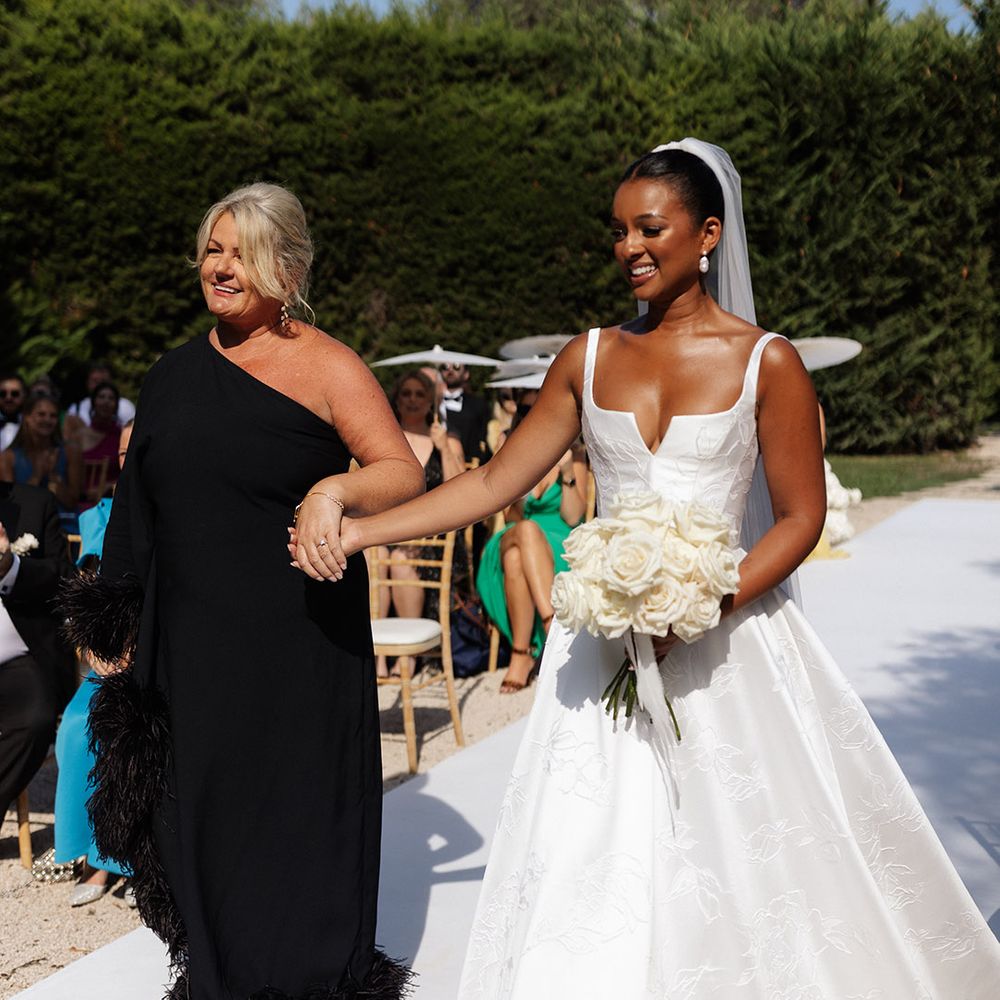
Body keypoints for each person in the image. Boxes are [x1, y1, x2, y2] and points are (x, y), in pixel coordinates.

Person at [291, 141, 1000, 997]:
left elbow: (801, 517)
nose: (629, 247)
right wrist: (362, 530)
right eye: (618, 230)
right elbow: (489, 482)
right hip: (603, 653)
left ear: (707, 235)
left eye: (650, 228)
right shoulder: (586, 358)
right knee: (596, 854)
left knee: (743, 855)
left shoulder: (766, 362)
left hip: (733, 645)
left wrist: (704, 602)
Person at [62, 182, 422, 999]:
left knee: (292, 815)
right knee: (198, 818)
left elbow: (401, 472)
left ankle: (304, 980)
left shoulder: (328, 364)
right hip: (189, 643)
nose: (221, 267)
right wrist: (114, 617)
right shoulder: (172, 373)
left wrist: (334, 494)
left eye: (242, 253)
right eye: (212, 250)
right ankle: (219, 978)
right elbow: (138, 503)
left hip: (298, 638)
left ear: (287, 267)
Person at [52, 420, 134, 908]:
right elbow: (85, 597)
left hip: (169, 650)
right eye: (122, 452)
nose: (129, 459)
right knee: (78, 725)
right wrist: (95, 650)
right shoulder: (97, 518)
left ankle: (142, 858)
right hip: (112, 652)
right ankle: (98, 859)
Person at [475, 389, 587, 693]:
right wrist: (510, 472)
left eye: (540, 406)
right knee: (525, 530)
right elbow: (508, 516)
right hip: (515, 531)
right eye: (525, 409)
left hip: (558, 542)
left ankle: (521, 655)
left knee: (515, 560)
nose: (533, 413)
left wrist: (566, 472)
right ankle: (552, 622)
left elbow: (574, 516)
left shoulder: (574, 453)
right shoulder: (513, 450)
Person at [371, 370, 465, 678]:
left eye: (419, 394)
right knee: (374, 557)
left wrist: (444, 449)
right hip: (388, 529)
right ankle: (377, 655)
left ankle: (408, 657)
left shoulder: (446, 439)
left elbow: (461, 490)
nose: (412, 400)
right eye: (405, 394)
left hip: (432, 535)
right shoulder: (384, 439)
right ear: (396, 400)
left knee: (399, 559)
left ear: (430, 402)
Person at [0, 481, 75, 820]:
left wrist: (10, 568)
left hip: (16, 656)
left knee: (35, 720)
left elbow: (65, 580)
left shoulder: (34, 503)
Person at [0, 392, 83, 520]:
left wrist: (53, 477)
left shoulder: (71, 451)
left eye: (53, 416)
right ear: (27, 417)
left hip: (64, 523)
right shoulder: (8, 457)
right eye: (41, 414)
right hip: (23, 524)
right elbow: (11, 503)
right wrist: (37, 476)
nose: (47, 420)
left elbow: (72, 502)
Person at [64, 380, 123, 501]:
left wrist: (109, 486)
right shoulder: (78, 436)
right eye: (101, 397)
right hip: (78, 502)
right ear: (93, 402)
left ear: (116, 405)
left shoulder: (123, 437)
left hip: (110, 501)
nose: (106, 402)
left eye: (111, 398)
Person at [439, 361, 491, 464]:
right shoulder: (430, 403)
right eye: (445, 367)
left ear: (466, 374)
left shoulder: (478, 404)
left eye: (456, 367)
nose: (450, 370)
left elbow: (483, 438)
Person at [66, 362, 136, 427]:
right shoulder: (76, 408)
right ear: (87, 382)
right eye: (95, 380)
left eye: (103, 380)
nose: (99, 384)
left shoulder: (126, 407)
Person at [0, 373, 26, 451]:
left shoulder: (34, 425)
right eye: (3, 394)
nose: (8, 398)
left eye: (15, 394)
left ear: (24, 395)